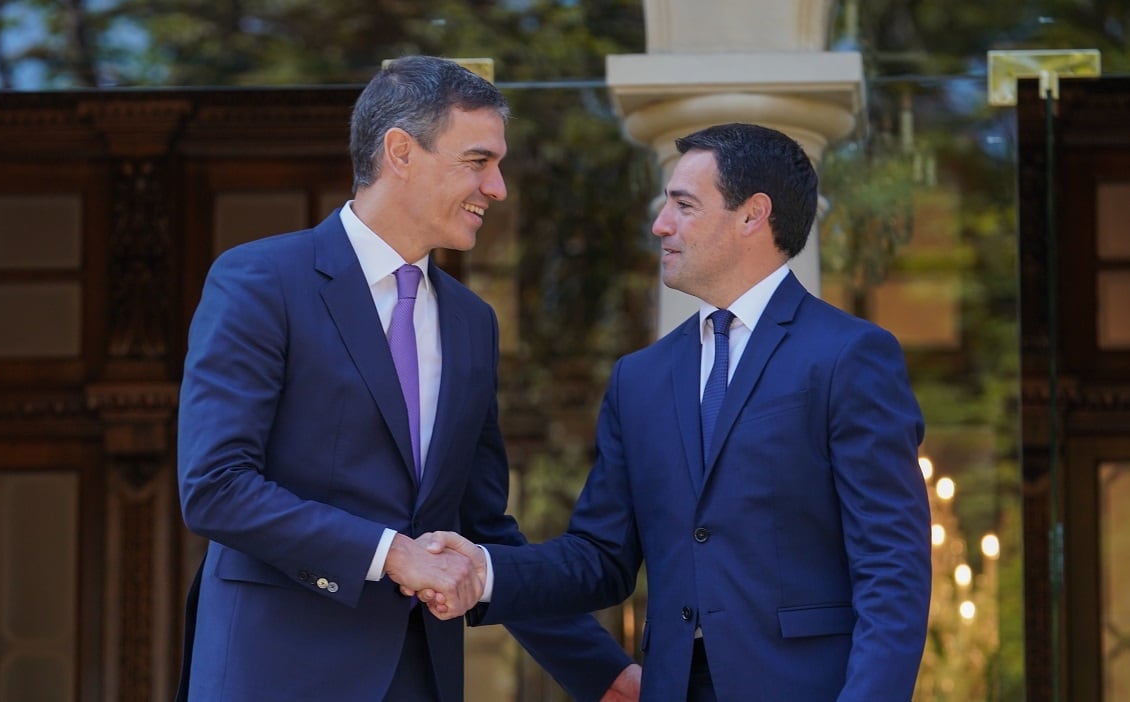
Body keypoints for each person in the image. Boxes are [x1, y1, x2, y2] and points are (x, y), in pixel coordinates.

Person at [174, 55, 640, 702]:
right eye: (478, 162)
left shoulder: (472, 323)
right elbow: (216, 487)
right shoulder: (260, 282)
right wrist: (393, 554)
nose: (497, 187)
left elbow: (477, 528)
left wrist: (605, 672)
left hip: (419, 677)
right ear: (400, 152)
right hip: (274, 672)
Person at [416, 122, 932, 701]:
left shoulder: (849, 356)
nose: (661, 224)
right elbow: (600, 558)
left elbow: (892, 572)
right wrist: (486, 571)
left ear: (752, 215)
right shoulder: (640, 378)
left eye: (683, 205)